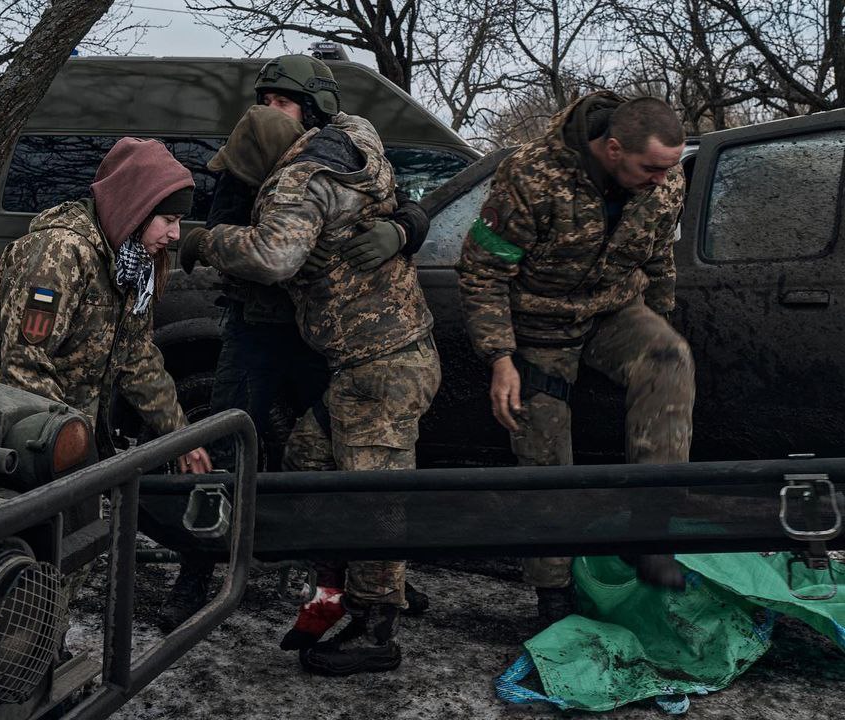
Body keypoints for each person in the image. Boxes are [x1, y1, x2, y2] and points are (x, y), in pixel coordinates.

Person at [155, 53, 432, 633]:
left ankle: (365, 578)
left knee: (341, 454)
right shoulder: (249, 161)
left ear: (316, 108)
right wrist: (230, 249)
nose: (269, 112)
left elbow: (399, 198)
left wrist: (405, 228)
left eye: (282, 102)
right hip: (258, 330)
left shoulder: (340, 153)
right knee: (223, 447)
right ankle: (198, 571)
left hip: (326, 340)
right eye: (265, 101)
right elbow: (239, 249)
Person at [456, 92, 694, 626]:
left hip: (613, 310)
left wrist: (659, 320)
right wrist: (500, 358)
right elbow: (484, 272)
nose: (663, 180)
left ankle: (652, 534)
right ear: (613, 149)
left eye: (669, 168)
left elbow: (659, 258)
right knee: (543, 444)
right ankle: (553, 592)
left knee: (668, 356)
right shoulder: (531, 174)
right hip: (539, 324)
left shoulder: (666, 180)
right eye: (651, 168)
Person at [0, 136, 212, 471]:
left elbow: (136, 357)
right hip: (11, 439)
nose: (176, 234)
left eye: (179, 221)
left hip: (63, 441)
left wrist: (180, 433)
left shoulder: (130, 263)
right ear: (134, 208)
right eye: (168, 220)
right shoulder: (60, 254)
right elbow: (25, 365)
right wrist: (74, 444)